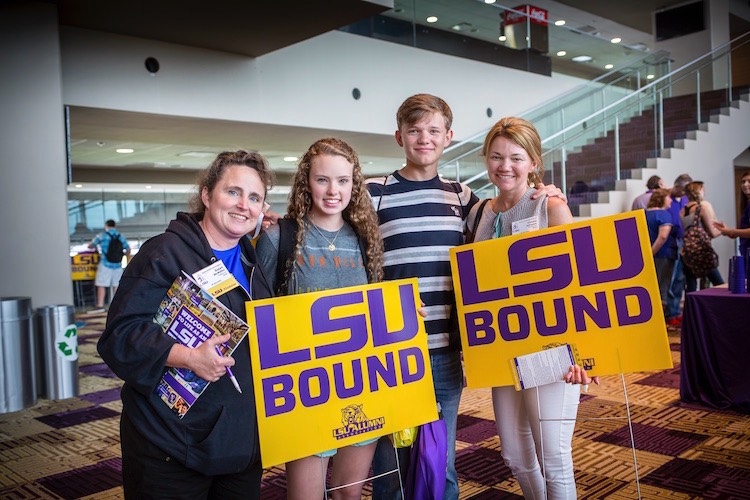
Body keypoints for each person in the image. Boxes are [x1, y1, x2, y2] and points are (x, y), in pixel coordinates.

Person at [366, 94, 565, 500]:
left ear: (448, 137)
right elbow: (348, 254)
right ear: (398, 136)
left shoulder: (464, 199)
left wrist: (548, 193)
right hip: (391, 349)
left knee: (442, 462)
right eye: (415, 130)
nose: (424, 138)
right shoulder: (374, 193)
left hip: (445, 351)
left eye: (434, 130)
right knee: (390, 464)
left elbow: (498, 238)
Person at [97, 151, 275, 499]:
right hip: (170, 445)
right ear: (207, 195)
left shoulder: (253, 262)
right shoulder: (163, 253)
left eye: (254, 197)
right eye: (233, 192)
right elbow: (119, 337)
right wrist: (187, 357)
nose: (244, 205)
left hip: (241, 445)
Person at [466, 116, 596, 499]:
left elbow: (579, 282)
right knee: (516, 456)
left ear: (534, 162)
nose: (505, 166)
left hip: (551, 350)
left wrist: (585, 353)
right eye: (496, 156)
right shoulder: (483, 212)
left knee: (553, 459)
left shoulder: (549, 206)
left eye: (516, 158)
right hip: (502, 346)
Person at [255, 138, 384, 500]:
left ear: (354, 185)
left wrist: (401, 314)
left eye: (343, 181)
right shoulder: (279, 237)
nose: (333, 191)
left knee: (348, 495)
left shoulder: (365, 239)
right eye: (323, 180)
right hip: (304, 392)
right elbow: (258, 311)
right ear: (306, 183)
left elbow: (374, 306)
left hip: (360, 386)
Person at [680, 181, 725, 292]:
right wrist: (724, 230)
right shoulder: (701, 208)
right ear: (698, 191)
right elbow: (712, 233)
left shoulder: (682, 211)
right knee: (718, 283)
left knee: (691, 286)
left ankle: (692, 309)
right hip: (701, 250)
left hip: (687, 250)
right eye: (702, 189)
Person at [644, 189, 677, 319]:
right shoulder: (664, 215)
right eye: (669, 198)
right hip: (663, 254)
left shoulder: (643, 214)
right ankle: (663, 319)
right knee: (663, 286)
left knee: (651, 286)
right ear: (662, 199)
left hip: (646, 255)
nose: (671, 201)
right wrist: (651, 253)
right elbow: (663, 236)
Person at [665, 174, 693, 326]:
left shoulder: (685, 199)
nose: (684, 193)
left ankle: (675, 312)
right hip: (670, 243)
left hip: (684, 242)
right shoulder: (667, 198)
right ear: (677, 186)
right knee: (670, 278)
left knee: (680, 279)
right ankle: (670, 313)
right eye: (683, 189)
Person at [88, 219, 131, 309]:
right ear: (115, 226)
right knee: (116, 286)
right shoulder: (120, 236)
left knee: (102, 284)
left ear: (106, 226)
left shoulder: (102, 235)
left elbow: (91, 245)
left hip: (105, 264)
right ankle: (116, 306)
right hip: (118, 265)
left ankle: (100, 305)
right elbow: (128, 249)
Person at [713, 170, 750, 256]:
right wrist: (728, 232)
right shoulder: (746, 205)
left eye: (749, 181)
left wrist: (732, 231)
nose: (745, 184)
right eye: (743, 181)